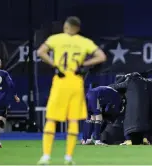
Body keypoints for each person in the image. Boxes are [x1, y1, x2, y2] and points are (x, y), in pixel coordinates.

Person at [36, 16, 106, 164]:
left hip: (60, 81)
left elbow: (41, 52)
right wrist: (84, 65)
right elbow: (101, 56)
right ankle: (68, 157)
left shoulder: (56, 38)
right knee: (73, 120)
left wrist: (55, 65)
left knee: (51, 118)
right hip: (76, 82)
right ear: (78, 29)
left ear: (65, 27)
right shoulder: (83, 42)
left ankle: (46, 155)